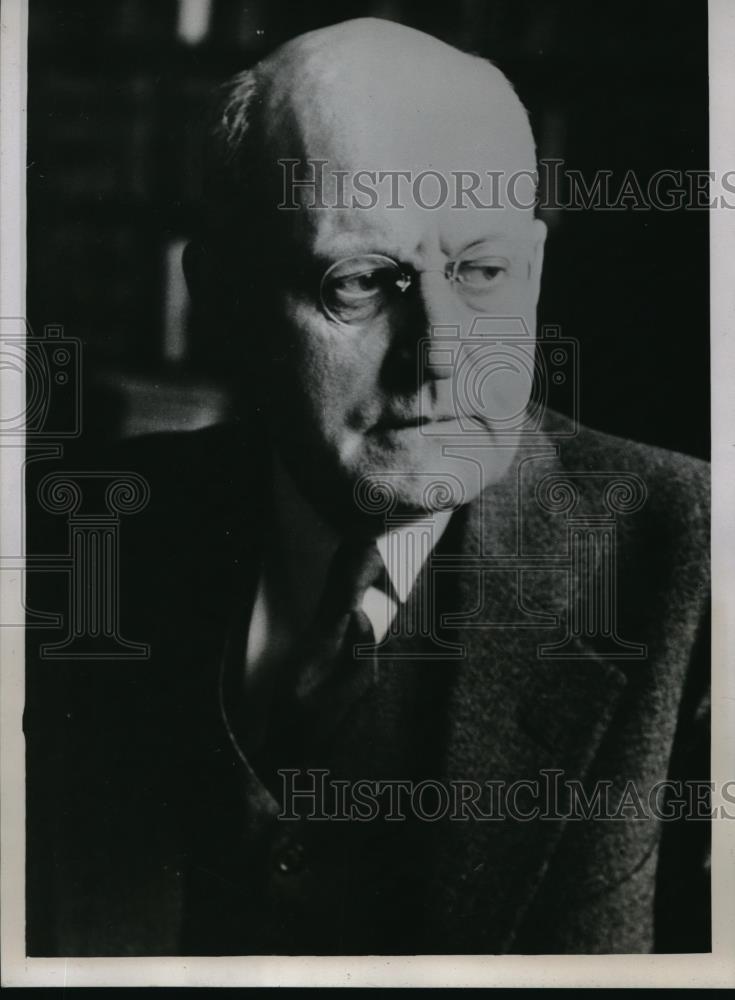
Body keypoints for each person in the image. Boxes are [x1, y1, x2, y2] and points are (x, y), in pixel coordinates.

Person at [25, 17, 710, 956]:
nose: (439, 357)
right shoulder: (74, 544)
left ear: (535, 272)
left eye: (481, 272)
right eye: (359, 283)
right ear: (219, 297)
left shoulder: (693, 564)